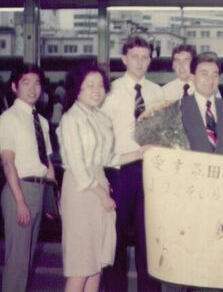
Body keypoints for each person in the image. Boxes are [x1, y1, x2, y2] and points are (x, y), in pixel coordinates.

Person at [57, 64, 145, 292]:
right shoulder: (71, 119)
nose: (97, 91)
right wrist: (102, 195)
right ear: (77, 89)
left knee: (96, 263)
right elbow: (77, 166)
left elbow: (110, 158)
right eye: (90, 86)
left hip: (99, 185)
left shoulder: (99, 118)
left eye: (100, 86)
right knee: (81, 265)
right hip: (81, 191)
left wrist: (140, 152)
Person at [162, 51, 223, 292]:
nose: (210, 80)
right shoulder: (176, 109)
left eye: (215, 75)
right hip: (185, 199)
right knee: (180, 264)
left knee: (211, 266)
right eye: (204, 74)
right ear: (192, 76)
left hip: (219, 200)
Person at [101, 35, 164, 292]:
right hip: (120, 171)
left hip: (149, 171)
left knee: (148, 237)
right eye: (135, 57)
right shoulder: (110, 92)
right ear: (124, 58)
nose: (140, 62)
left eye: (145, 57)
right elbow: (103, 136)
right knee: (114, 239)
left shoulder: (156, 92)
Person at [0, 63, 56, 292]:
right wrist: (20, 201)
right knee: (17, 263)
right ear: (14, 87)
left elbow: (47, 163)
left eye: (37, 83)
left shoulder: (40, 121)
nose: (33, 88)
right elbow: (7, 162)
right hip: (19, 190)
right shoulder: (8, 118)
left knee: (28, 258)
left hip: (39, 189)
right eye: (26, 83)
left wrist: (52, 199)